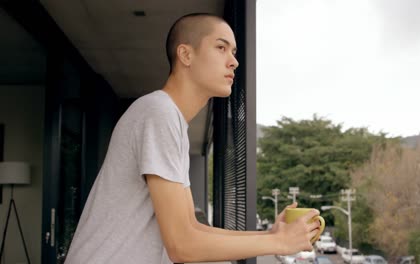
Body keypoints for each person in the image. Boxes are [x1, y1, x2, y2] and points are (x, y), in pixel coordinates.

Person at [64, 13, 322, 264]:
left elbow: (192, 228)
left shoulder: (170, 119)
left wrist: (271, 235)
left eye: (233, 52)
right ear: (186, 54)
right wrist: (280, 244)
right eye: (221, 48)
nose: (234, 62)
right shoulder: (158, 112)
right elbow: (183, 246)